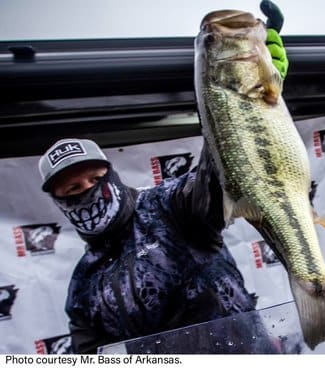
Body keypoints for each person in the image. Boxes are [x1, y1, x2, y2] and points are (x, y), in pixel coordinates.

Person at [38, 1, 289, 354]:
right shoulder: (83, 286)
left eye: (95, 179)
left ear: (111, 174)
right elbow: (91, 356)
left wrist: (249, 88)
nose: (88, 192)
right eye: (73, 190)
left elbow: (219, 176)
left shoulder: (167, 206)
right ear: (61, 204)